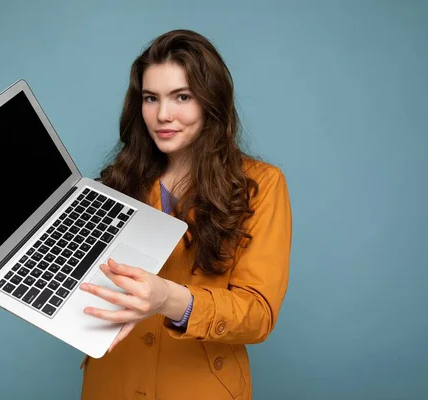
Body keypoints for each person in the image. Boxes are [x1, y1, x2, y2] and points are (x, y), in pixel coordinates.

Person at [78, 29, 292, 400]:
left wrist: (168, 300)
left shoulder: (261, 184)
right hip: (112, 380)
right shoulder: (119, 179)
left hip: (200, 386)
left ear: (211, 101)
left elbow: (258, 314)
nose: (163, 114)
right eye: (151, 98)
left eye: (182, 97)